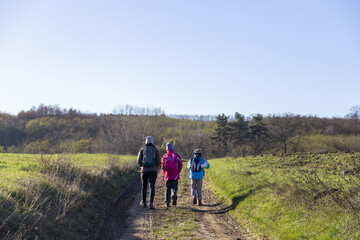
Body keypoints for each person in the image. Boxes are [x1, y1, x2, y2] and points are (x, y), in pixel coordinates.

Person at [137, 136, 161, 209]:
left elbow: (138, 161)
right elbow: (159, 161)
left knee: (144, 186)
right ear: (152, 141)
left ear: (146, 142)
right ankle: (151, 203)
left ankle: (144, 203)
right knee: (152, 187)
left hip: (144, 171)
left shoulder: (142, 150)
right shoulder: (156, 150)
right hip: (153, 171)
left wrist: (142, 166)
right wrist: (156, 168)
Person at [161, 142, 183, 207]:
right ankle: (174, 194)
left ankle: (167, 202)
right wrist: (177, 172)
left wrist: (165, 172)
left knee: (167, 188)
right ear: (172, 147)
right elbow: (180, 165)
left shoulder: (165, 156)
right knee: (174, 187)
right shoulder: (176, 155)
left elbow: (162, 166)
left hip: (168, 175)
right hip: (175, 175)